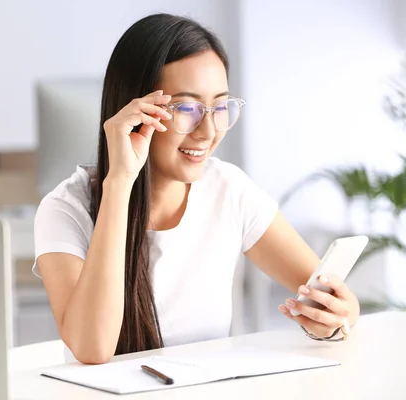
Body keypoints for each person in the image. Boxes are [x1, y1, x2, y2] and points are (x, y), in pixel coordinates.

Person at [33, 13, 360, 364]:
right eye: (186, 108)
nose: (208, 132)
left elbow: (336, 298)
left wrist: (335, 319)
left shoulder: (228, 189)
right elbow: (92, 349)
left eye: (220, 107)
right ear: (135, 110)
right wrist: (119, 184)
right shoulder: (66, 209)